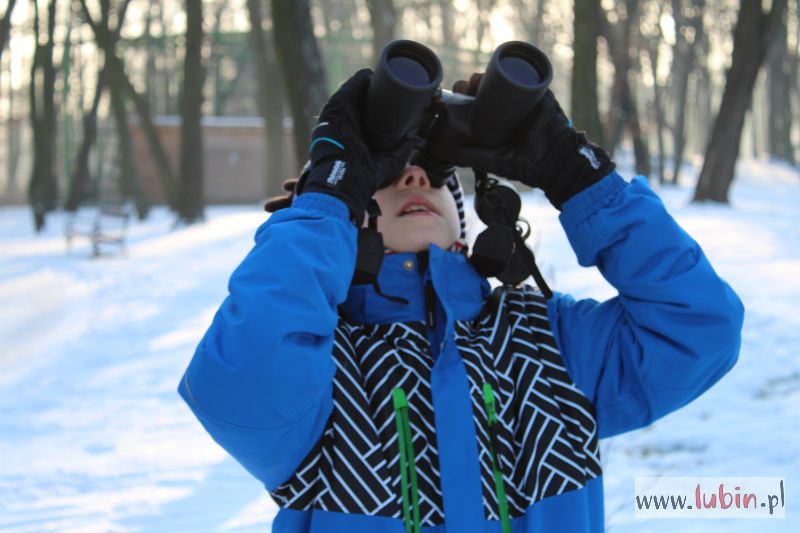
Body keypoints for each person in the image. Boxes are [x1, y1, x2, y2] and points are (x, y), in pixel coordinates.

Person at [178, 68, 744, 532]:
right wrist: (326, 197)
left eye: (433, 176)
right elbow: (240, 381)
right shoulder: (324, 370)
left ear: (462, 230)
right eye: (387, 174)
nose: (415, 179)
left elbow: (699, 329)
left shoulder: (547, 342)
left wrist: (580, 179)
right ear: (344, 216)